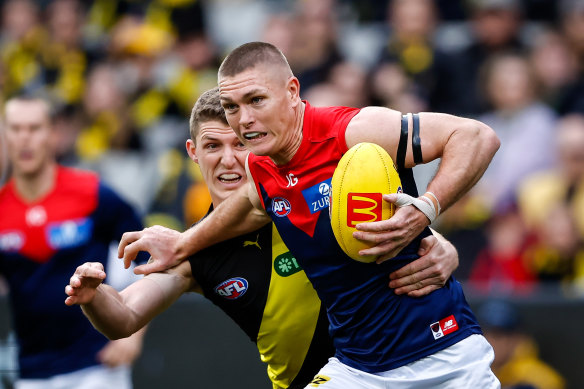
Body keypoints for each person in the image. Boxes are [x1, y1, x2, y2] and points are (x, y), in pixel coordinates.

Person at [118, 42, 501, 388]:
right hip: (359, 370)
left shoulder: (352, 131)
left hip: (444, 352)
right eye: (233, 107)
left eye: (256, 100)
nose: (243, 119)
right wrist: (184, 241)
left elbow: (477, 137)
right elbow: (250, 205)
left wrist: (425, 211)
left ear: (292, 92)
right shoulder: (264, 169)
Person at [65, 87, 462, 389]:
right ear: (192, 152)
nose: (228, 159)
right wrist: (93, 296)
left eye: (240, 143)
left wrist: (437, 242)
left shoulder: (313, 194)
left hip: (399, 368)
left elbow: (396, 219)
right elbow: (125, 316)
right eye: (212, 146)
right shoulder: (192, 249)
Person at [0, 96, 147, 389]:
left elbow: (150, 255)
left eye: (34, 128)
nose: (24, 138)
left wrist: (134, 332)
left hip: (97, 367)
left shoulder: (92, 193)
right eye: (15, 129)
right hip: (31, 372)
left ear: (54, 134)